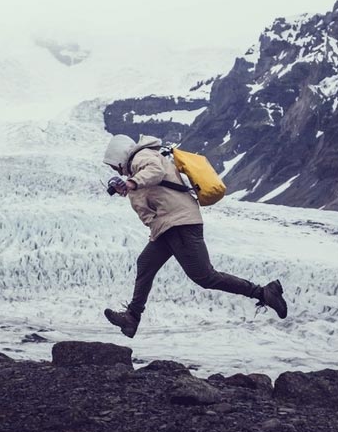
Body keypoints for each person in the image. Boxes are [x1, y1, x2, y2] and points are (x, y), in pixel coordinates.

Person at [102, 134, 288, 338]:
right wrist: (132, 187)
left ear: (120, 157)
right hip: (167, 226)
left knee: (205, 276)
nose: (117, 171)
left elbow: (155, 171)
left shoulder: (141, 156)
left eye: (114, 166)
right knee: (145, 263)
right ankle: (132, 317)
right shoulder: (139, 165)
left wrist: (132, 183)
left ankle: (263, 292)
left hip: (179, 223)